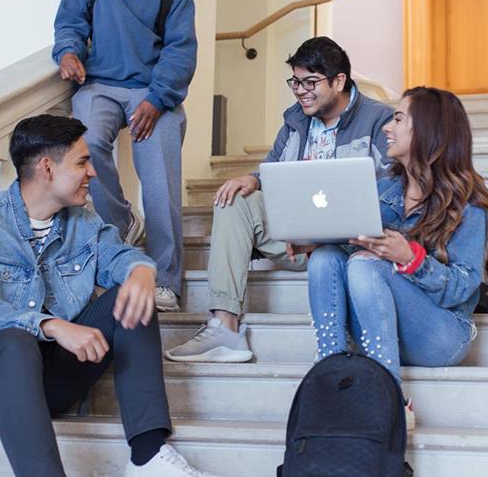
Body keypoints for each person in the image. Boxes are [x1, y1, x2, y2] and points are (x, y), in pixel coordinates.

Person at [0, 115, 231, 477]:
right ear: (47, 168)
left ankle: (148, 455)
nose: (93, 171)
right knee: (14, 342)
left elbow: (122, 257)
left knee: (130, 295)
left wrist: (142, 271)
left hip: (46, 381)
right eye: (82, 162)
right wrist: (52, 326)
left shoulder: (84, 223)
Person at [164, 37, 393, 362]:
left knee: (332, 252)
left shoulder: (378, 119)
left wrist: (333, 236)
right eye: (296, 82)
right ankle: (224, 326)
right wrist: (252, 179)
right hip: (296, 242)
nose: (301, 90)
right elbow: (273, 169)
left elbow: (391, 197)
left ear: (339, 80)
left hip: (350, 247)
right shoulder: (295, 119)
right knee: (234, 199)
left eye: (311, 82)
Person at [306, 87, 488, 430]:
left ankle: (388, 396)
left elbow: (463, 287)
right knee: (326, 258)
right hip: (380, 320)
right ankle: (331, 373)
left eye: (398, 118)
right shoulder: (384, 190)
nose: (386, 126)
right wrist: (316, 235)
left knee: (366, 264)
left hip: (440, 333)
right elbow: (350, 254)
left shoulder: (467, 203)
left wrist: (412, 259)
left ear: (427, 129)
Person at [53, 0, 196, 313]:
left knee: (159, 180)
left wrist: (157, 99)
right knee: (86, 147)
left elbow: (180, 51)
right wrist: (69, 53)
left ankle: (167, 279)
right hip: (100, 85)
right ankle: (120, 226)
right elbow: (70, 22)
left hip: (153, 94)